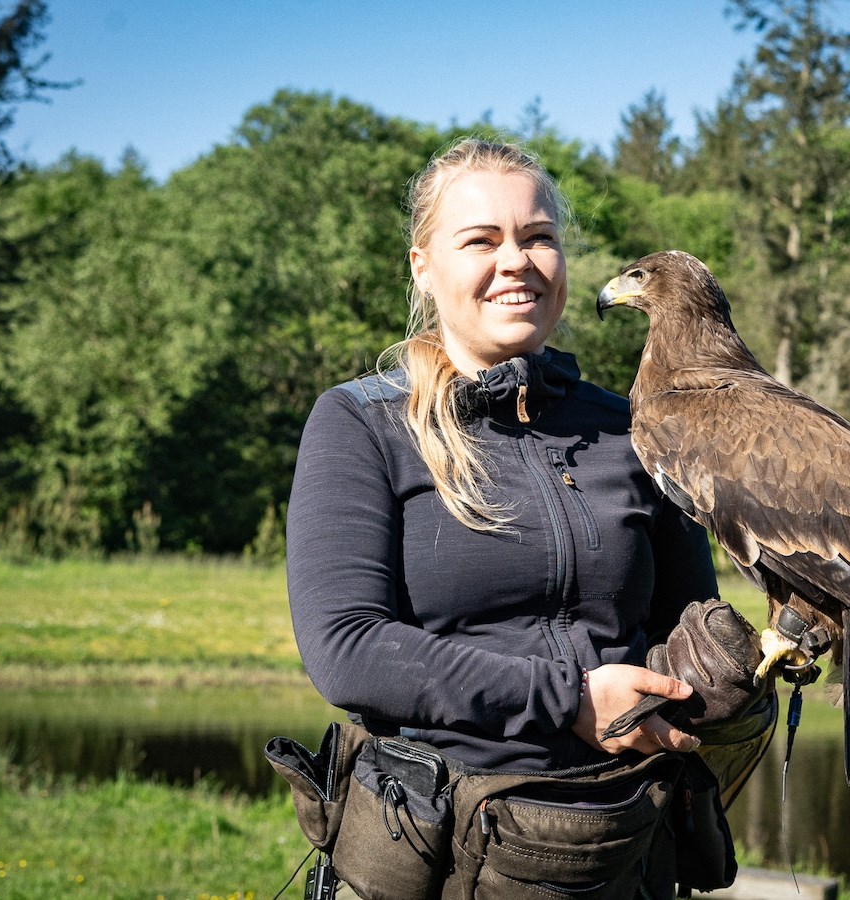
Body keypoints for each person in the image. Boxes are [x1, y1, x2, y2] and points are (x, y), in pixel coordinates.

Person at [283, 138, 724, 895]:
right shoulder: (362, 424)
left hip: (617, 846)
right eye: (481, 240)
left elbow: (686, 621)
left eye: (538, 237)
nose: (516, 260)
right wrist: (570, 702)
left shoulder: (637, 428)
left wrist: (731, 676)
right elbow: (348, 649)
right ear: (424, 264)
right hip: (439, 847)